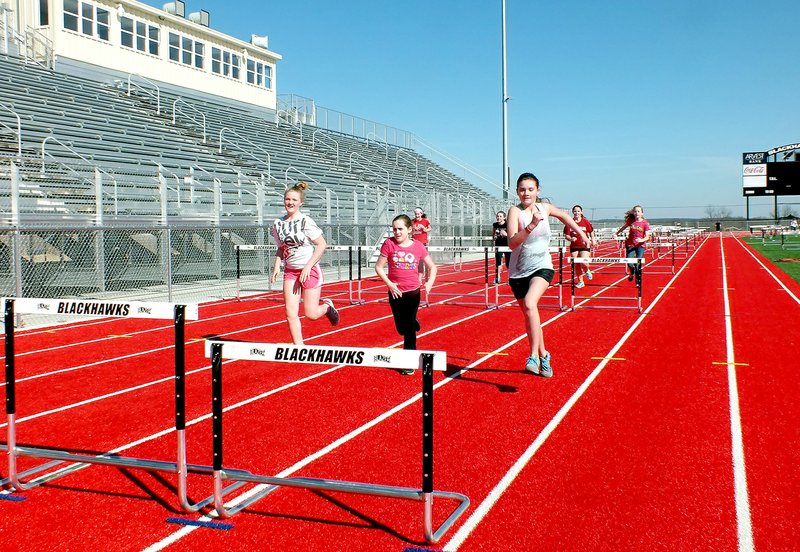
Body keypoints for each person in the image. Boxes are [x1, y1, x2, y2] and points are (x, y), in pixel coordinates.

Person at [507, 173, 588, 378]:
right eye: (522, 189)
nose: (526, 193)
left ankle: (533, 355)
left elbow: (565, 216)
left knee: (531, 304)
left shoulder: (545, 208)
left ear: (538, 191)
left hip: (542, 267)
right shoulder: (514, 212)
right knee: (529, 315)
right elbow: (512, 243)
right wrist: (531, 225)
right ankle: (544, 355)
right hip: (518, 271)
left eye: (530, 189)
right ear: (517, 191)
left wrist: (581, 233)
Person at [271, 181, 339, 345]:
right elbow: (281, 248)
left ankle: (328, 307)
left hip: (309, 270)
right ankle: (299, 347)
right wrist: (277, 266)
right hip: (291, 271)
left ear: (300, 202)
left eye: (294, 200)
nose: (290, 203)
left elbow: (322, 244)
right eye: (288, 199)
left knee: (311, 314)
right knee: (290, 312)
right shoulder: (277, 224)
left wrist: (308, 266)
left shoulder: (305, 221)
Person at [375, 214, 437, 375]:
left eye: (400, 229)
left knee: (408, 330)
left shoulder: (418, 247)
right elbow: (379, 267)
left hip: (412, 292)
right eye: (394, 229)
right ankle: (413, 322)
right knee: (401, 328)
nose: (397, 232)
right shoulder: (389, 244)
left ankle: (409, 362)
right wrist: (389, 284)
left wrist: (429, 282)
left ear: (409, 230)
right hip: (395, 292)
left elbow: (433, 267)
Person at [615, 205, 651, 285]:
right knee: (629, 262)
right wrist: (616, 233)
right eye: (635, 211)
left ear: (642, 213)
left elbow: (647, 236)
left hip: (640, 246)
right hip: (630, 244)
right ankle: (632, 271)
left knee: (638, 263)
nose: (636, 213)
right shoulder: (631, 221)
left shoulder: (645, 223)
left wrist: (641, 240)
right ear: (633, 212)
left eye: (638, 211)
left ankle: (638, 280)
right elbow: (624, 227)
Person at [564, 205, 595, 288]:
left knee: (584, 262)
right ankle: (581, 281)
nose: (576, 213)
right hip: (574, 246)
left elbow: (591, 231)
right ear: (572, 212)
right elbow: (566, 235)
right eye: (575, 211)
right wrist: (571, 239)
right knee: (576, 264)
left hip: (584, 245)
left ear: (581, 212)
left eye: (578, 211)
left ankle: (586, 270)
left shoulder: (585, 221)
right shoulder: (569, 222)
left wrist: (593, 239)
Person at [492, 211, 511, 284]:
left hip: (507, 245)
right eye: (497, 216)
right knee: (498, 262)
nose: (498, 218)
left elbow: (512, 235)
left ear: (504, 217)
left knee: (508, 262)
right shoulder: (495, 225)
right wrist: (494, 237)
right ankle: (497, 278)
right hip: (498, 245)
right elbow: (493, 235)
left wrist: (506, 234)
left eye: (500, 216)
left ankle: (509, 278)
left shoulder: (507, 224)